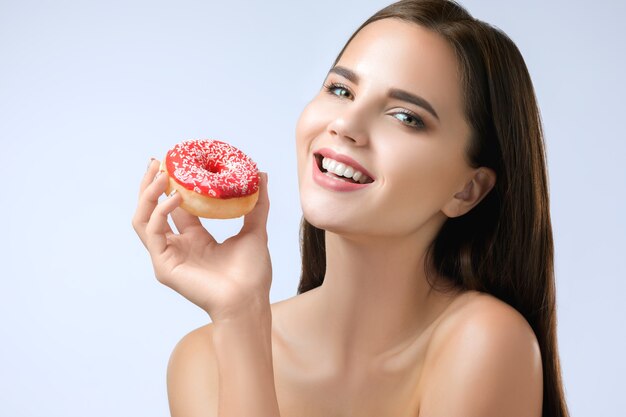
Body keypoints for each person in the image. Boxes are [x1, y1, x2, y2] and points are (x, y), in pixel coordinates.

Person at [132, 0, 570, 416]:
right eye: (341, 90)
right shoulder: (202, 358)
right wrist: (240, 313)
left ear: (467, 190)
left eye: (406, 117)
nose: (346, 125)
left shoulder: (486, 343)